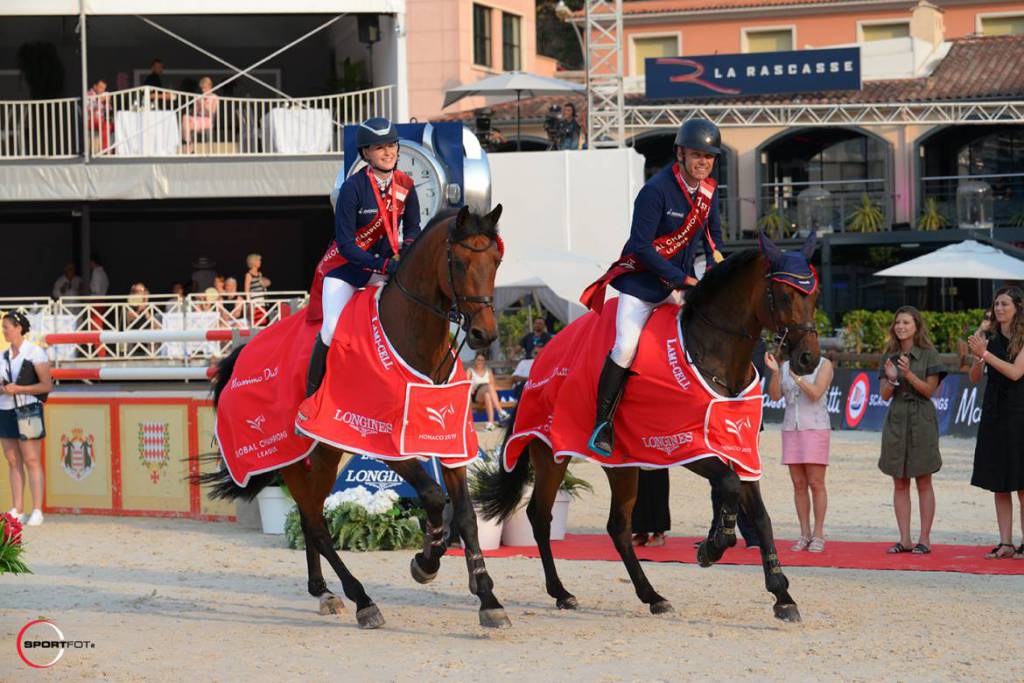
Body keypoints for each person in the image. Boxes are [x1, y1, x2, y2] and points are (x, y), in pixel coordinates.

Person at [582, 118, 724, 456]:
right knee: (625, 347)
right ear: (680, 154)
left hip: (682, 283)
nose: (703, 162)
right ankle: (602, 423)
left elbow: (714, 241)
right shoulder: (656, 190)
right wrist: (681, 281)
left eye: (709, 156)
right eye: (696, 155)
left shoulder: (709, 192)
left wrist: (716, 273)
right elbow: (641, 246)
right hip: (643, 285)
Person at [304, 117, 421, 397]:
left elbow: (414, 227)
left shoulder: (406, 184)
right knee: (331, 330)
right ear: (366, 153)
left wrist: (405, 255)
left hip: (389, 270)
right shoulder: (352, 188)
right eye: (379, 147)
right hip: (347, 270)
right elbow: (345, 245)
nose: (388, 152)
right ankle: (313, 395)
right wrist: (382, 265)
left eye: (392, 145)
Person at [879, 306, 947, 555]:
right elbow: (884, 394)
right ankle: (904, 539)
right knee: (899, 482)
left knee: (924, 481)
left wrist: (908, 374)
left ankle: (924, 538)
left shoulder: (929, 355)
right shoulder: (889, 355)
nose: (901, 326)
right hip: (896, 419)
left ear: (916, 326)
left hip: (921, 419)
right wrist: (893, 378)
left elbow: (929, 391)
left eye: (906, 322)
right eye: (898, 322)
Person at [967, 286, 1024, 559]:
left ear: (1017, 307)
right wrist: (979, 356)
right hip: (994, 412)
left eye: (1005, 304)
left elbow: (1015, 373)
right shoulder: (987, 338)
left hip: (1019, 412)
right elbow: (974, 377)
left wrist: (987, 355)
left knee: (1022, 482)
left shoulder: (1023, 338)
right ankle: (1005, 542)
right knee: (998, 481)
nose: (999, 308)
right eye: (997, 304)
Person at [765, 347, 834, 552]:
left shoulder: (824, 364)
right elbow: (775, 396)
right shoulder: (786, 366)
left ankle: (818, 533)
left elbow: (815, 393)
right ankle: (804, 533)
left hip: (815, 427)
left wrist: (797, 378)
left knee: (816, 482)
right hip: (790, 429)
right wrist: (776, 372)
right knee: (798, 484)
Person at [1, 312, 53, 527]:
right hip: (5, 408)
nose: (4, 331)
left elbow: (46, 385)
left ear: (18, 328)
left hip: (28, 408)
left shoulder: (35, 352)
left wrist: (19, 388)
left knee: (31, 460)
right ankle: (18, 508)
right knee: (12, 460)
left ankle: (37, 509)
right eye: (3, 327)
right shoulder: (3, 355)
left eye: (7, 327)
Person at [468, 353, 509, 431]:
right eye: (478, 360)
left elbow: (492, 385)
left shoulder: (488, 371)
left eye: (482, 360)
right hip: (476, 394)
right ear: (475, 360)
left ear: (484, 361)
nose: (480, 362)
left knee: (487, 394)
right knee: (488, 387)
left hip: (487, 394)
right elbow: (465, 383)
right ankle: (500, 411)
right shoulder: (470, 370)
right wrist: (470, 388)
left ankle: (490, 423)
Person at [181, 77, 219, 151]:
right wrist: (198, 105)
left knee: (187, 127)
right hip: (198, 118)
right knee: (185, 117)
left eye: (205, 88)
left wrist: (204, 104)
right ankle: (189, 144)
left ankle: (188, 145)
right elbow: (195, 113)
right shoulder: (200, 97)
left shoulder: (215, 97)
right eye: (202, 88)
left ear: (210, 86)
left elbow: (212, 113)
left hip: (208, 120)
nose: (203, 90)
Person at [86, 78, 113, 150]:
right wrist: (99, 101)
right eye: (101, 87)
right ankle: (105, 149)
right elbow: (89, 109)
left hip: (101, 120)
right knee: (106, 125)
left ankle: (116, 149)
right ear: (95, 87)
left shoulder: (103, 95)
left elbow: (109, 111)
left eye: (104, 88)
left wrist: (107, 102)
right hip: (90, 120)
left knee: (115, 125)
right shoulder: (88, 94)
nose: (102, 90)